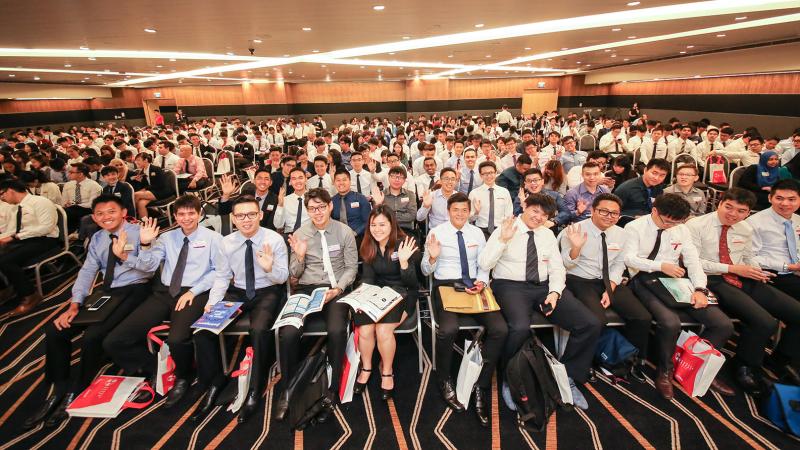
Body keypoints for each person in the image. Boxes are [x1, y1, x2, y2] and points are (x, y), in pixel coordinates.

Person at [25, 195, 154, 429]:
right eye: (100, 214)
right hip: (108, 291)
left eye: (112, 211)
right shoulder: (97, 238)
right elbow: (87, 271)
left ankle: (77, 390)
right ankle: (58, 387)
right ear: (94, 217)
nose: (106, 217)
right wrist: (75, 303)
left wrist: (125, 255)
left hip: (137, 289)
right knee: (55, 330)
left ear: (124, 212)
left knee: (93, 335)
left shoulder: (140, 233)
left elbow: (149, 269)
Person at [480, 193, 600, 411]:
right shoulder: (506, 228)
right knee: (519, 327)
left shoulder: (546, 234)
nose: (538, 217)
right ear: (525, 206)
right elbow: (485, 263)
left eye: (544, 215)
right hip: (510, 286)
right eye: (535, 211)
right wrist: (503, 240)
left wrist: (554, 292)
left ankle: (569, 377)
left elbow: (556, 268)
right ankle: (510, 379)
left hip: (543, 287)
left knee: (589, 323)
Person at [102, 196, 223, 407]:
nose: (186, 218)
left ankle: (183, 376)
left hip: (195, 292)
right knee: (114, 340)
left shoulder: (213, 238)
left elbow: (218, 271)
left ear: (199, 214)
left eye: (191, 213)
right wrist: (143, 245)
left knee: (177, 339)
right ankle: (155, 368)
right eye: (181, 214)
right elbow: (148, 265)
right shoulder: (167, 238)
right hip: (164, 292)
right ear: (174, 216)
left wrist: (193, 291)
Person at [687, 188, 800, 391]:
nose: (733, 214)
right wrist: (732, 269)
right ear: (719, 203)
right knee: (765, 322)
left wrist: (756, 270)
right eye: (728, 207)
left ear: (748, 212)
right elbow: (693, 262)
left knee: (796, 312)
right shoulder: (696, 225)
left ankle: (779, 360)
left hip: (742, 276)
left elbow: (748, 257)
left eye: (741, 211)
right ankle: (745, 366)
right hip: (711, 279)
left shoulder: (745, 228)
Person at [624, 194, 735, 400]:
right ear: (654, 211)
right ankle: (664, 370)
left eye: (676, 223)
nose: (670, 226)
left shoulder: (681, 229)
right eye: (666, 221)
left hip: (675, 279)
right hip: (643, 277)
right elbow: (629, 258)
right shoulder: (635, 227)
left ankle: (695, 367)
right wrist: (660, 266)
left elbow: (693, 261)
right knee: (670, 322)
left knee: (723, 324)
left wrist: (700, 288)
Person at [192, 195, 288, 423]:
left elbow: (283, 277)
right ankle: (215, 382)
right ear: (233, 219)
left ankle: (256, 386)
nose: (246, 220)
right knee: (203, 331)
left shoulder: (274, 239)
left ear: (260, 215)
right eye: (241, 216)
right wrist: (212, 302)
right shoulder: (226, 243)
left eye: (251, 214)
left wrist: (269, 268)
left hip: (268, 290)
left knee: (259, 330)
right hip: (238, 292)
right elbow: (222, 276)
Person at [422, 192, 508, 426]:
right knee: (448, 330)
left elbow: (484, 265)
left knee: (500, 329)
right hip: (446, 285)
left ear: (470, 212)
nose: (460, 214)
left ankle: (481, 383)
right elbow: (425, 271)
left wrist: (482, 282)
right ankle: (443, 379)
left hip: (474, 285)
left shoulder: (477, 233)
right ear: (448, 211)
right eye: (455, 210)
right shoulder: (436, 232)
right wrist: (432, 258)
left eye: (464, 210)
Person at [276, 188, 358, 422]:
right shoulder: (300, 233)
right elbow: (294, 273)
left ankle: (332, 387)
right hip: (307, 289)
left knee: (337, 330)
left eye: (322, 207)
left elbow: (352, 268)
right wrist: (300, 256)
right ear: (308, 210)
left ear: (330, 206)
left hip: (336, 288)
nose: (318, 212)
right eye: (312, 208)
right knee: (288, 332)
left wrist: (338, 289)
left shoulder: (344, 232)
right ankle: (289, 388)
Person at [558, 193, 652, 382]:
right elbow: (565, 265)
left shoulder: (621, 234)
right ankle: (588, 361)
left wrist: (611, 287)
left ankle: (628, 359)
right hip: (579, 279)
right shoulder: (574, 230)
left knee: (642, 317)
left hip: (608, 280)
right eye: (604, 211)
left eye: (614, 213)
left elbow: (619, 264)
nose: (609, 217)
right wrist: (576, 248)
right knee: (596, 320)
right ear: (593, 210)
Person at [352, 207, 420, 400]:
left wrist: (404, 262)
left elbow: (413, 283)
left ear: (392, 225)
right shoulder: (368, 245)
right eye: (373, 225)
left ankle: (387, 371)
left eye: (382, 224)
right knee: (365, 328)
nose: (377, 229)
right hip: (378, 293)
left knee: (383, 330)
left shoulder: (405, 243)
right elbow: (368, 279)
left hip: (403, 293)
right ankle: (366, 367)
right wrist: (361, 297)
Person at [0, 179, 60, 315]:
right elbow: (13, 230)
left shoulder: (40, 202)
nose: (2, 198)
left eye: (2, 194)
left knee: (6, 261)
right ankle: (5, 288)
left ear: (10, 190)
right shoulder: (16, 207)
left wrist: (16, 237)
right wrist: (7, 237)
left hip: (46, 239)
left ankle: (30, 296)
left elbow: (46, 227)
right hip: (26, 239)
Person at [469, 162, 513, 239]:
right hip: (481, 230)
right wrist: (476, 212)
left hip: (500, 230)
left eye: (491, 172)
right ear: (480, 175)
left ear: (496, 173)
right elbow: (470, 219)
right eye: (485, 173)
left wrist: (505, 229)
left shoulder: (504, 192)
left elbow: (509, 214)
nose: (489, 176)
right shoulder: (474, 193)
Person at [373, 166, 417, 235]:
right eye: (393, 177)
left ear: (404, 180)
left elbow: (412, 216)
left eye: (400, 177)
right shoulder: (380, 195)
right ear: (388, 177)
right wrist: (378, 204)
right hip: (385, 230)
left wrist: (388, 217)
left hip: (405, 230)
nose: (397, 180)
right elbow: (376, 216)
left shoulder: (410, 195)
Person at [331, 169, 371, 241]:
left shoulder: (360, 198)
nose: (341, 183)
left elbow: (368, 221)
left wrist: (355, 233)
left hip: (359, 238)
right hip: (338, 239)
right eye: (338, 180)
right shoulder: (332, 201)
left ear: (350, 181)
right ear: (334, 183)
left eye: (344, 180)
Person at [61, 162, 103, 232]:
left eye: (71, 172)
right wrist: (66, 204)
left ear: (80, 174)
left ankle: (72, 233)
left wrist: (75, 205)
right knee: (61, 212)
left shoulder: (94, 185)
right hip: (71, 209)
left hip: (86, 209)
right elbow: (63, 201)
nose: (68, 174)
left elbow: (92, 204)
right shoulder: (67, 185)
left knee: (70, 211)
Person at [130, 153, 172, 219]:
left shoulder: (156, 169)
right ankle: (144, 222)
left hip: (162, 191)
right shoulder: (142, 172)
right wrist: (139, 181)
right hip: (151, 192)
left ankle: (131, 216)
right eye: (136, 160)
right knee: (141, 203)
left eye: (138, 160)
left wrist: (145, 188)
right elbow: (143, 186)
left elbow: (160, 184)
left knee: (136, 194)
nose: (136, 162)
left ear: (146, 160)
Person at [274, 168, 310, 235]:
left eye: (300, 178)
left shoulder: (313, 198)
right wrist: (280, 205)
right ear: (290, 181)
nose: (297, 181)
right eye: (294, 179)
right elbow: (278, 225)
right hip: (289, 235)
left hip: (309, 234)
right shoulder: (285, 200)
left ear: (306, 179)